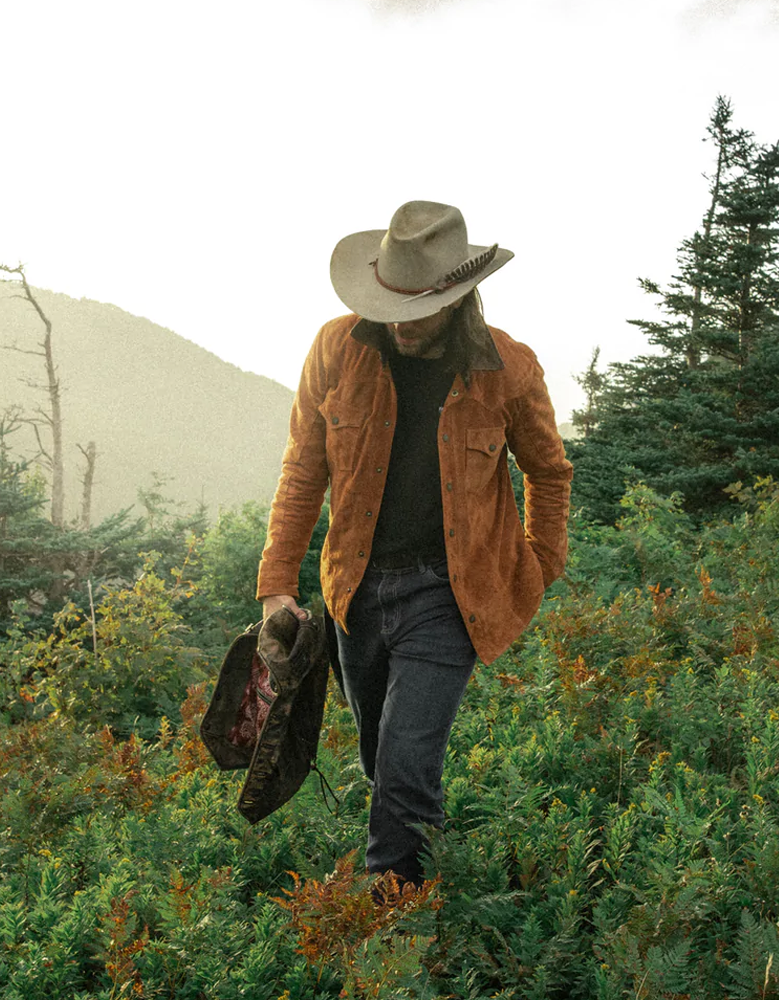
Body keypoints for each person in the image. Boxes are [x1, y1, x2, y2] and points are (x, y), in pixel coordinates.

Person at [257, 200, 572, 885]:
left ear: (458, 300)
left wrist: (539, 566)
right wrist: (278, 584)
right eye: (389, 305)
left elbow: (549, 471)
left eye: (417, 310)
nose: (399, 324)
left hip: (449, 593)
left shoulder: (508, 369)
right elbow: (303, 470)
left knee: (402, 770)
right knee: (383, 764)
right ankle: (430, 875)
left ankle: (394, 931)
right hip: (356, 592)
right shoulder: (337, 350)